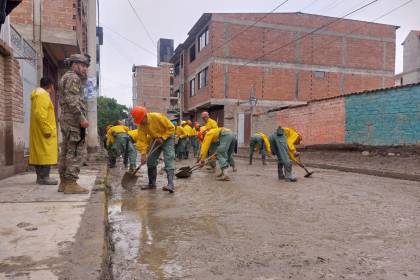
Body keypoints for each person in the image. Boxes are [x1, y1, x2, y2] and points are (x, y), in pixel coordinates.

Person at [57, 53, 90, 194]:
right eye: (82, 66)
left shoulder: (65, 77)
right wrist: (81, 118)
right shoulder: (73, 78)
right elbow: (72, 100)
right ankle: (71, 182)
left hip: (66, 119)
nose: (84, 69)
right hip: (73, 120)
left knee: (66, 150)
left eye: (86, 66)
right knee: (77, 151)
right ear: (74, 65)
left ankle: (64, 182)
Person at [131, 106, 176, 193]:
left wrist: (163, 138)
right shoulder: (141, 126)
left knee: (169, 158)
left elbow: (172, 128)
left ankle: (170, 184)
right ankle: (152, 184)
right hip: (155, 139)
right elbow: (142, 141)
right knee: (150, 160)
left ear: (144, 116)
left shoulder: (157, 117)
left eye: (140, 120)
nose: (140, 122)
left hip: (168, 137)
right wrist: (143, 154)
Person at [29, 77, 58, 185]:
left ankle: (40, 178)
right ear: (50, 85)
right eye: (53, 86)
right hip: (44, 130)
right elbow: (41, 114)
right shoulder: (43, 95)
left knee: (40, 152)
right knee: (46, 153)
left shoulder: (38, 94)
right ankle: (44, 177)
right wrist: (46, 129)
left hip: (39, 129)